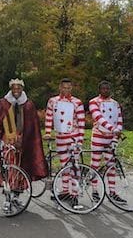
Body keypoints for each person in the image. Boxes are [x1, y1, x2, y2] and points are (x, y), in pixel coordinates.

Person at [0, 78, 48, 182]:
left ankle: (18, 185)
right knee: (7, 161)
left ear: (22, 89)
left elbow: (32, 125)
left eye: (18, 88)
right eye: (14, 88)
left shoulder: (28, 105)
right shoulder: (4, 103)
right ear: (11, 89)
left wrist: (23, 137)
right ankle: (7, 183)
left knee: (20, 162)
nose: (16, 90)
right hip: (7, 137)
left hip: (22, 137)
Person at [43, 78, 85, 207]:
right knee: (64, 165)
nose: (66, 90)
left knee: (74, 166)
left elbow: (82, 121)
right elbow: (49, 117)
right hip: (60, 137)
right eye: (64, 87)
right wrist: (48, 132)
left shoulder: (77, 102)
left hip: (74, 137)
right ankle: (65, 191)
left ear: (71, 88)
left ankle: (75, 194)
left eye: (69, 88)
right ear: (60, 87)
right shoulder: (53, 101)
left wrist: (80, 139)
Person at [89, 80, 126, 204]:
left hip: (111, 138)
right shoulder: (94, 102)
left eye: (107, 88)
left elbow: (119, 120)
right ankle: (94, 190)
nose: (106, 90)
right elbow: (99, 118)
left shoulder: (116, 104)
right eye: (103, 88)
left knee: (111, 166)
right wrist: (114, 130)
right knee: (95, 164)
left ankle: (112, 192)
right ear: (99, 90)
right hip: (99, 137)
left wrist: (115, 136)